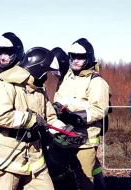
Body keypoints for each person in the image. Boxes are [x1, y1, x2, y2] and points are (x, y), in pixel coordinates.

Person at [0, 47, 67, 190]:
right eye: (46, 72)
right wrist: (30, 119)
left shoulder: (40, 89)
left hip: (35, 159)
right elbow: (0, 115)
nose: (47, 77)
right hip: (8, 158)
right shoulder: (7, 85)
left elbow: (50, 118)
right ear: (38, 69)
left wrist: (64, 131)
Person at [49, 39, 110, 190]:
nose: (75, 60)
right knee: (56, 170)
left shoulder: (97, 82)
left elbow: (100, 109)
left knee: (84, 179)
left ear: (88, 57)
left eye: (80, 57)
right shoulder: (67, 78)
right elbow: (59, 99)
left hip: (85, 140)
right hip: (63, 137)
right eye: (73, 56)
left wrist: (77, 117)